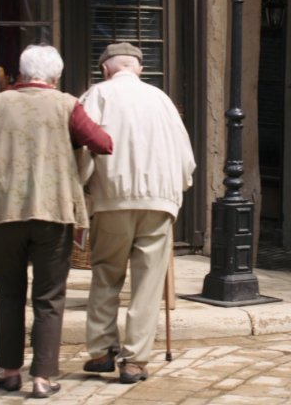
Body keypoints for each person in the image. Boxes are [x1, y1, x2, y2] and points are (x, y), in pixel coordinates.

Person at [0, 44, 113, 399]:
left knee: (9, 293)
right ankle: (43, 377)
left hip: (3, 213)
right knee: (49, 297)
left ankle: (9, 371)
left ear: (22, 74)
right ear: (55, 77)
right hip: (52, 212)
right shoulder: (67, 104)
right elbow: (102, 143)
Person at [79, 42, 196, 384]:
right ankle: (134, 362)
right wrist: (178, 188)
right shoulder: (162, 101)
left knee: (106, 275)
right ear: (139, 69)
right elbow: (186, 158)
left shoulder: (96, 95)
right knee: (147, 285)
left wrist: (82, 191)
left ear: (105, 69)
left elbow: (83, 151)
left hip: (111, 199)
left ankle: (101, 351)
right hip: (159, 203)